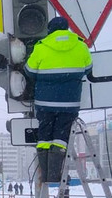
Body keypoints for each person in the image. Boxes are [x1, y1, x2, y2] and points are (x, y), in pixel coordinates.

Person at [25, 16, 93, 183]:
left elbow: (30, 70)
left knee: (44, 137)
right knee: (61, 138)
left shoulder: (41, 47)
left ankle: (46, 175)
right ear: (67, 28)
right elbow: (88, 69)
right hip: (70, 104)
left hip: (45, 103)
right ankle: (55, 175)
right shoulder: (81, 46)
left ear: (50, 30)